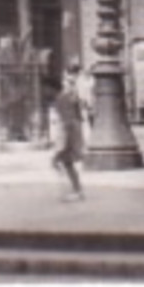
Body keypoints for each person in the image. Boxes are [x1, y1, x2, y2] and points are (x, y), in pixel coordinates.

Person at [51, 64, 86, 202]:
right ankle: (74, 190)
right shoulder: (69, 92)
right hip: (72, 131)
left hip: (68, 134)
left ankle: (74, 190)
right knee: (65, 164)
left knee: (63, 163)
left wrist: (62, 145)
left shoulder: (65, 96)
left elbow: (67, 121)